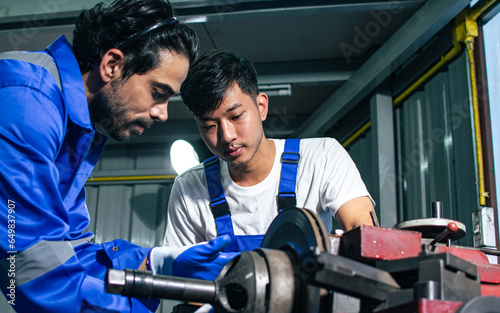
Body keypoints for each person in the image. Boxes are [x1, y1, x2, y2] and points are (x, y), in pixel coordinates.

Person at [0, 1, 234, 312]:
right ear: (112, 65)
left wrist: (158, 265)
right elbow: (29, 260)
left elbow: (72, 252)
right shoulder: (26, 100)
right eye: (158, 92)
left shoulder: (79, 127)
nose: (163, 114)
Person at [163, 50, 377, 274]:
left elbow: (364, 234)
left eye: (236, 116)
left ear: (261, 107)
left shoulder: (322, 157)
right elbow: (186, 279)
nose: (226, 136)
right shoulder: (190, 188)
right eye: (209, 126)